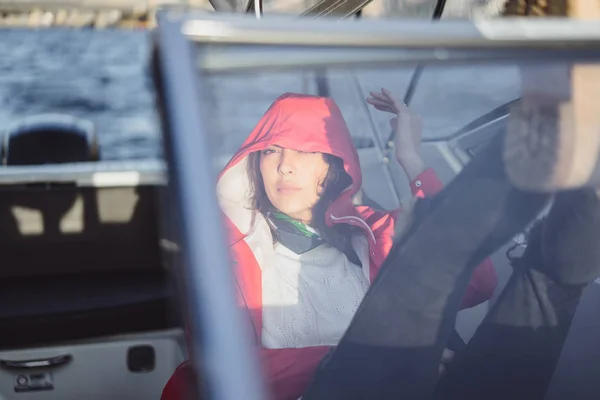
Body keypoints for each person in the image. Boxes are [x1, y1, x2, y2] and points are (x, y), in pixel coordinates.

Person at [161, 88, 498, 400]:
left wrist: (412, 160)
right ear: (254, 162)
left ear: (335, 165)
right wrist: (371, 356)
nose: (285, 167)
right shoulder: (225, 252)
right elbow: (225, 373)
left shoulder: (375, 232)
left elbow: (477, 281)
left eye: (306, 151)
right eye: (271, 150)